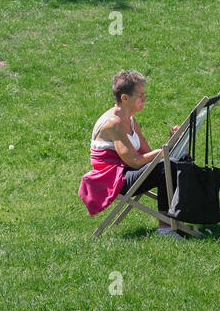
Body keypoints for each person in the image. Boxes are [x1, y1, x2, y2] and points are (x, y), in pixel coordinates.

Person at [78, 70, 183, 237]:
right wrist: (163, 151)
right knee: (167, 168)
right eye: (140, 95)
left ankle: (178, 219)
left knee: (177, 161)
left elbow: (148, 154)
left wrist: (172, 141)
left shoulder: (131, 119)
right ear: (124, 98)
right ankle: (166, 228)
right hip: (113, 180)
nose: (144, 99)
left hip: (127, 172)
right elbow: (134, 160)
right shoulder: (113, 124)